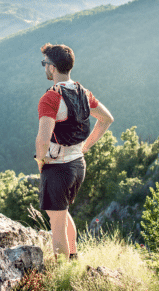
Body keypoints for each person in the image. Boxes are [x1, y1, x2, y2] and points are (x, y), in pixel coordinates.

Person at [34, 43, 113, 260]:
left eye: (44, 63)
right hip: (78, 164)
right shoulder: (83, 92)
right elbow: (106, 119)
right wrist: (85, 147)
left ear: (52, 68)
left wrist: (40, 161)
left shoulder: (51, 97)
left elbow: (42, 140)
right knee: (61, 214)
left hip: (58, 167)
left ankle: (63, 274)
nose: (44, 67)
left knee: (57, 227)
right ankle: (73, 258)